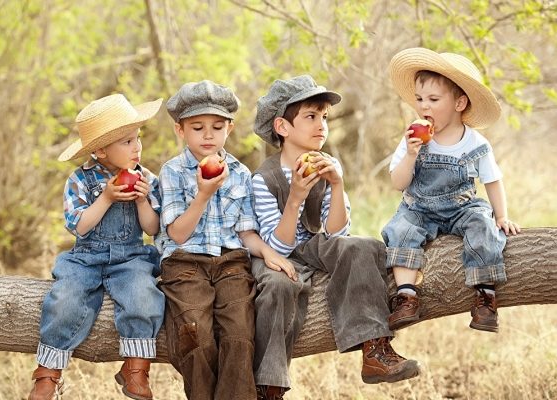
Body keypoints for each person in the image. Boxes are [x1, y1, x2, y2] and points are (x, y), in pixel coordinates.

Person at [251, 75, 420, 398]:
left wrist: (338, 184)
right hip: (275, 253)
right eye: (311, 117)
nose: (322, 125)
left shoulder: (327, 167)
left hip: (315, 246)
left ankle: (374, 349)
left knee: (364, 246)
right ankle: (269, 386)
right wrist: (297, 196)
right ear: (282, 128)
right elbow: (277, 245)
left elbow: (337, 233)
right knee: (276, 288)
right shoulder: (264, 178)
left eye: (324, 117)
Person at [156, 80, 294, 400]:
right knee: (195, 335)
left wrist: (267, 252)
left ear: (229, 129)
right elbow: (177, 233)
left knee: (239, 334)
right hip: (184, 262)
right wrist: (203, 195)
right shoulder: (173, 171)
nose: (208, 135)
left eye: (217, 127)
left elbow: (246, 231)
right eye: (198, 127)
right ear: (180, 131)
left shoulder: (240, 173)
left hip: (231, 262)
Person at [28, 94, 165, 400]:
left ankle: (135, 368)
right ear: (101, 150)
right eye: (127, 142)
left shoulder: (147, 178)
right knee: (64, 299)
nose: (137, 147)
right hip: (86, 258)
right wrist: (106, 198)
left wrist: (142, 199)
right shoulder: (79, 180)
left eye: (137, 138)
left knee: (144, 296)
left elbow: (152, 229)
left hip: (130, 257)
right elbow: (79, 226)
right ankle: (48, 372)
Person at [382, 48, 520, 333]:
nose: (424, 107)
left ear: (459, 103)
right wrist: (410, 155)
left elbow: (493, 180)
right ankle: (407, 295)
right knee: (400, 229)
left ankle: (485, 296)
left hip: (461, 206)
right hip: (419, 207)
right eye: (419, 99)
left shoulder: (475, 143)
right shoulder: (413, 138)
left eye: (433, 99)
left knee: (483, 224)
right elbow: (398, 183)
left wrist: (502, 216)